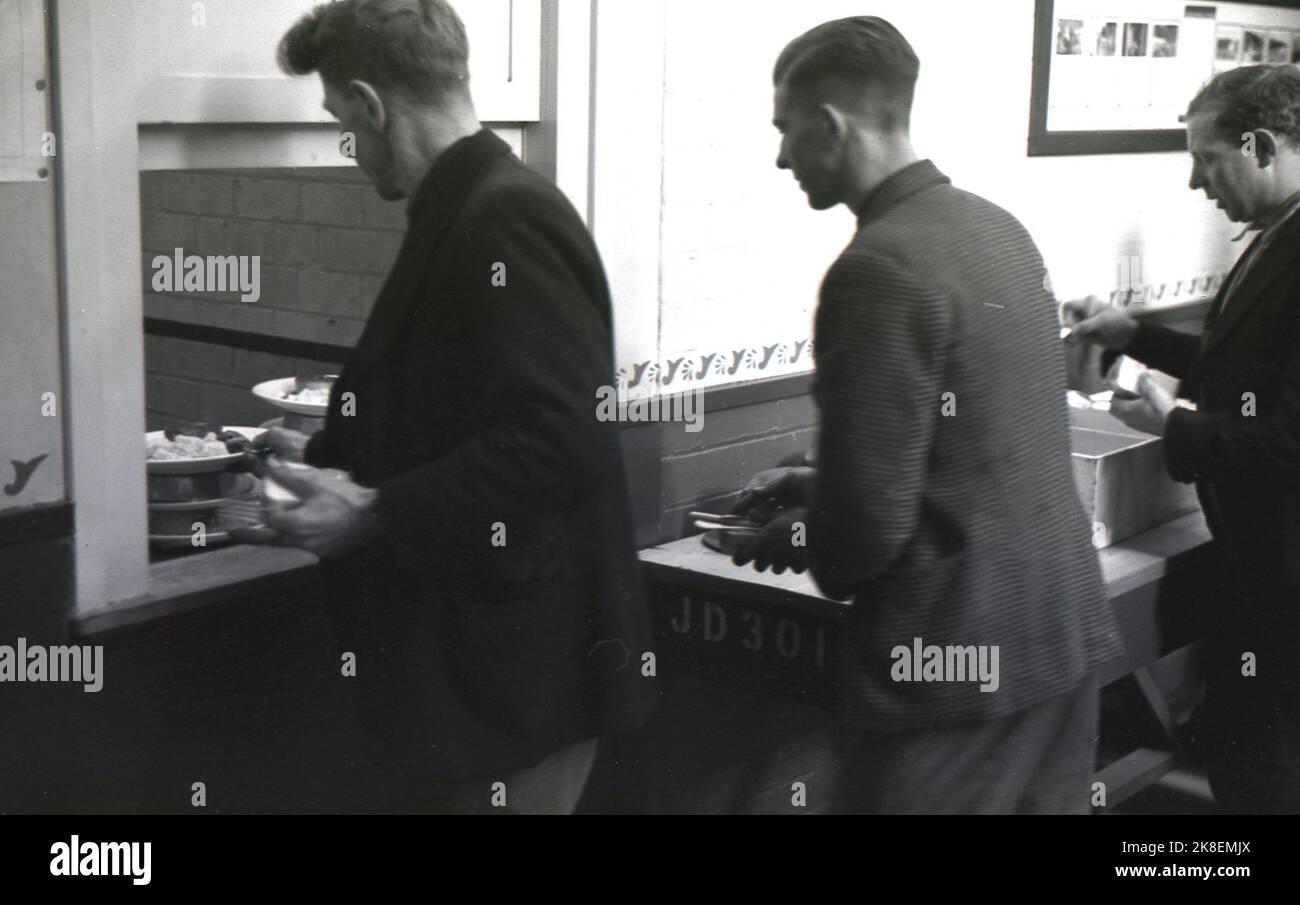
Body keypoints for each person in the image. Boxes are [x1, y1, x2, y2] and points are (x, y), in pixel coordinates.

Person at [257, 0, 654, 813]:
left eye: (343, 121)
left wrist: (374, 509)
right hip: (492, 680)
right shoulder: (469, 205)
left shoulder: (503, 214)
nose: (349, 147)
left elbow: (560, 437)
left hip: (514, 685)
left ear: (371, 105)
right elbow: (461, 411)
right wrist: (325, 463)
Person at [732, 16, 1123, 814]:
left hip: (951, 665)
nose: (779, 157)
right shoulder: (996, 226)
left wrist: (797, 532)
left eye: (785, 130)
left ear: (831, 124)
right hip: (1056, 636)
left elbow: (865, 536)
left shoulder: (875, 267)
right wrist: (822, 481)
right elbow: (980, 439)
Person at [1066, 65, 1300, 814]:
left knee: (1264, 767)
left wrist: (1176, 428)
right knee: (1241, 745)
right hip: (1259, 561)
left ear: (1259, 146)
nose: (1197, 183)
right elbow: (1248, 370)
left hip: (1286, 574)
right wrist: (1136, 334)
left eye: (1205, 158)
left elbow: (1292, 440)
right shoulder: (1279, 232)